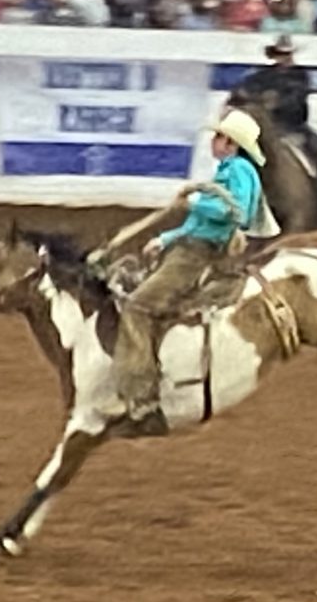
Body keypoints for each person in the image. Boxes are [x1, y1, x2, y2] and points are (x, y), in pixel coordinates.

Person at [106, 109, 268, 436]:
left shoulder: (238, 169)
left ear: (231, 143)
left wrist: (194, 203)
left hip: (197, 256)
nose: (214, 141)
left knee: (136, 307)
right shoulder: (230, 170)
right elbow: (202, 221)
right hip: (191, 248)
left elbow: (234, 211)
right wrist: (165, 238)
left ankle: (141, 394)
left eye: (219, 136)